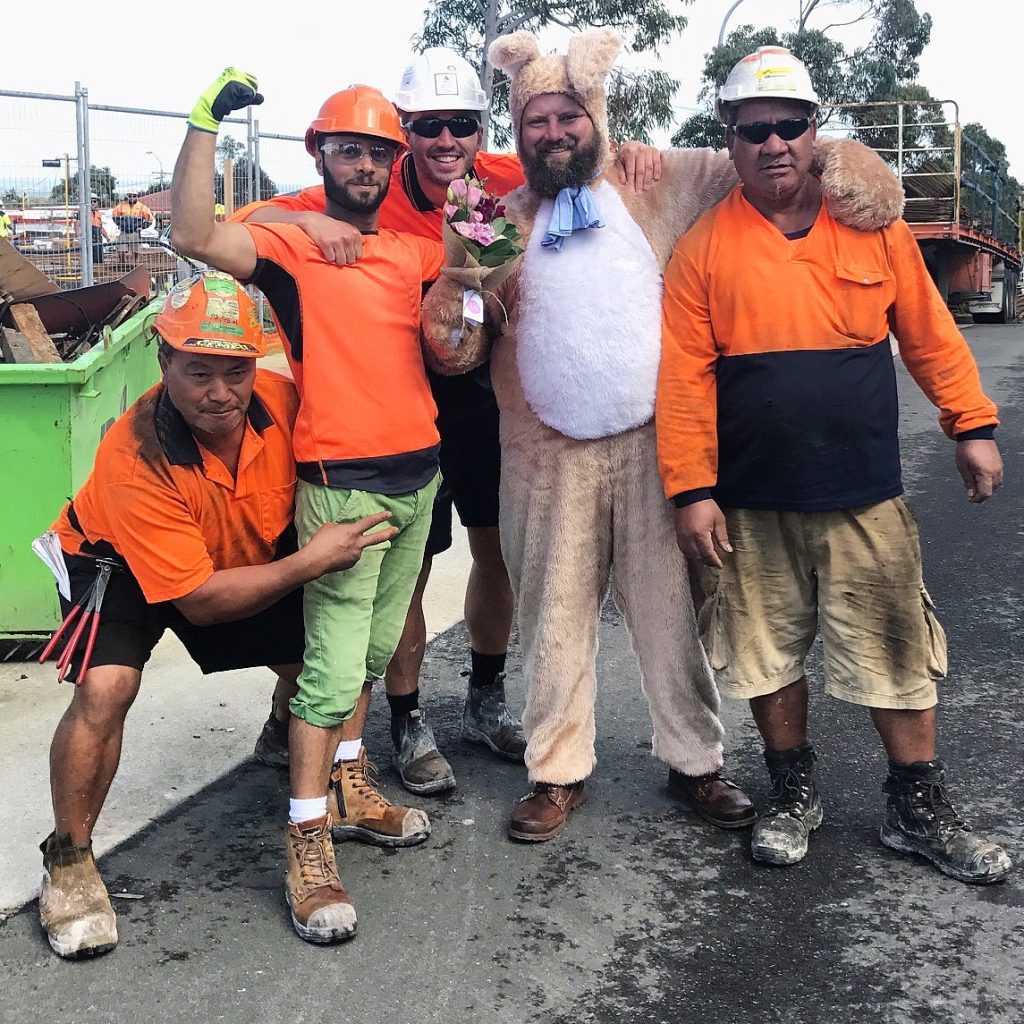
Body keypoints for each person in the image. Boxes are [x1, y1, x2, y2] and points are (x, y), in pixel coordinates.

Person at [422, 30, 901, 843]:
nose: (553, 134)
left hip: (656, 444)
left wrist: (854, 160)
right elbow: (459, 344)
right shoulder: (495, 218)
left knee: (671, 611)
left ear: (596, 115)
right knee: (553, 613)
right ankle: (555, 769)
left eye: (569, 116)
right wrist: (464, 279)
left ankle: (696, 762)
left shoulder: (661, 179)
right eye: (536, 121)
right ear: (517, 130)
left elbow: (768, 159)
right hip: (545, 454)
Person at [236, 48, 662, 796]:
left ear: (480, 130)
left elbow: (590, 167)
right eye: (428, 126)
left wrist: (638, 154)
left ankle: (485, 693)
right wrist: (304, 227)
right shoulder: (365, 189)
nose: (445, 142)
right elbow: (242, 222)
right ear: (405, 132)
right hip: (393, 403)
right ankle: (406, 718)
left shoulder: (496, 186)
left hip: (481, 398)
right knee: (411, 567)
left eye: (460, 126)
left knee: (494, 550)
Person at [656, 46, 1013, 884]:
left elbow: (927, 331)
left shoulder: (873, 228)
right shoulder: (703, 250)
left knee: (894, 648)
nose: (774, 144)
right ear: (731, 138)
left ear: (816, 132)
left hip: (862, 494)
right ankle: (791, 795)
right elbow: (684, 379)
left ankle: (914, 805)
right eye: (755, 130)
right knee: (764, 651)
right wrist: (692, 490)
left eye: (791, 126)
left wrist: (972, 423)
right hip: (749, 502)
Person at [38, 273, 399, 959]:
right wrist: (310, 562)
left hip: (236, 548)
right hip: (115, 565)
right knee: (105, 689)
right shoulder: (132, 452)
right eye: (197, 372)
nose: (220, 393)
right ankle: (69, 858)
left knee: (329, 664)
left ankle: (286, 740)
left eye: (234, 372)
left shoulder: (283, 402)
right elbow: (200, 602)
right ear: (162, 359)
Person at [171, 70, 446, 943]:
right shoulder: (293, 247)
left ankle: (352, 783)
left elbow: (481, 269)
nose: (365, 164)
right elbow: (191, 231)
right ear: (321, 154)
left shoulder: (412, 251)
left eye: (378, 152)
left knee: (367, 655)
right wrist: (208, 120)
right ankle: (307, 841)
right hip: (343, 483)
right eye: (350, 149)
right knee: (327, 673)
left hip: (421, 474)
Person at [89, 194, 109, 264]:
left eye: (94, 201)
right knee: (90, 257)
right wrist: (77, 236)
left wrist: (107, 238)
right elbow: (77, 223)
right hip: (89, 238)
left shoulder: (98, 214)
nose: (92, 203)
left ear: (97, 203)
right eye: (90, 201)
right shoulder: (83, 212)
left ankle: (98, 271)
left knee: (98, 257)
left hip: (98, 238)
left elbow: (100, 227)